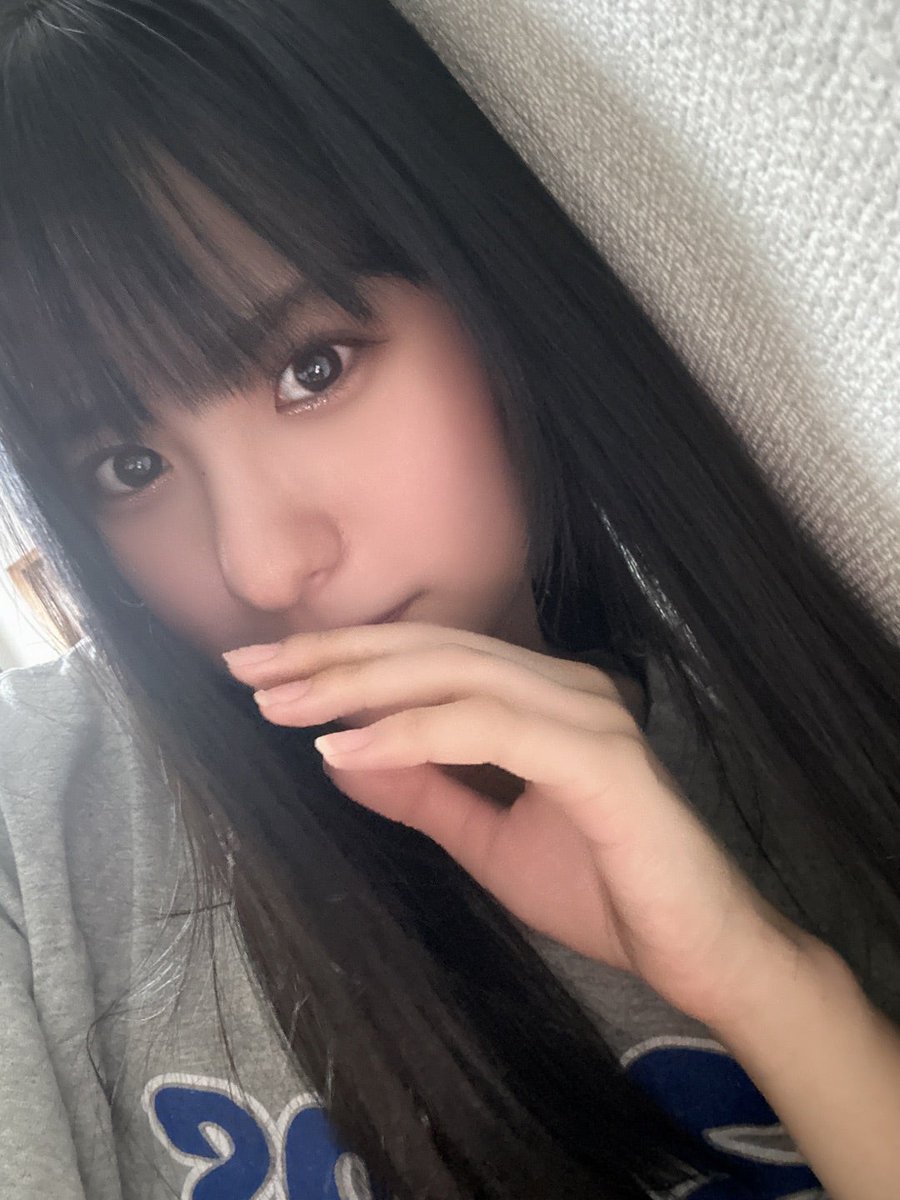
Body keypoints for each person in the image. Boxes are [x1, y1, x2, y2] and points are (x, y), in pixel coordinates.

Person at [0, 1, 898, 1197]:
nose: (260, 568)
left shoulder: (813, 740)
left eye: (312, 368)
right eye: (129, 466)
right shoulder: (36, 827)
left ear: (486, 287)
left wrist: (771, 986)